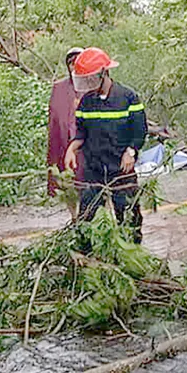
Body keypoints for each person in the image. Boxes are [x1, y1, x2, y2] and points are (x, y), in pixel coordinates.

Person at [64, 47, 147, 242]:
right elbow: (81, 132)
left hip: (121, 170)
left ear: (104, 73)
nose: (89, 85)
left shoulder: (128, 98)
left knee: (128, 217)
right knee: (87, 218)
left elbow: (139, 131)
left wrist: (131, 151)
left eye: (91, 79)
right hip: (94, 170)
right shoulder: (86, 102)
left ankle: (132, 250)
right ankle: (86, 253)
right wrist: (71, 149)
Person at [47, 47, 85, 197]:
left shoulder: (94, 85)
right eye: (71, 63)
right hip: (64, 140)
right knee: (67, 183)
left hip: (88, 143)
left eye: (78, 61)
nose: (74, 66)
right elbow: (55, 120)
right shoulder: (59, 88)